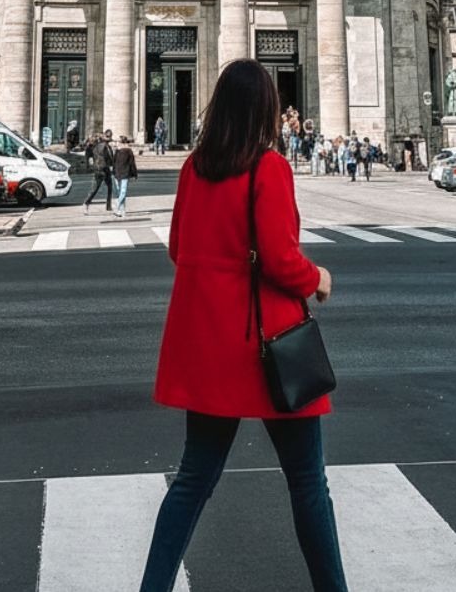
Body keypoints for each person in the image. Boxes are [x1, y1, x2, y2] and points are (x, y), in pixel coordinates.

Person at [141, 59, 345, 592]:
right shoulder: (268, 167)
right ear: (266, 109)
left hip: (209, 346)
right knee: (307, 483)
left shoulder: (194, 167)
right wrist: (318, 278)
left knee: (192, 481)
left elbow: (178, 248)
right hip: (269, 347)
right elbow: (280, 261)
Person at [83, 132, 114, 214]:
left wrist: (88, 165)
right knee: (100, 188)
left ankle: (107, 206)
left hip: (100, 169)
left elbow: (88, 156)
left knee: (99, 188)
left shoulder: (96, 147)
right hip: (102, 169)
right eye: (108, 137)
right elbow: (110, 158)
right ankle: (87, 203)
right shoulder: (103, 147)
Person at [113, 135, 138, 219]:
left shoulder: (128, 151)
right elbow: (114, 162)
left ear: (122, 142)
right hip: (117, 174)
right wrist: (113, 172)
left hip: (125, 174)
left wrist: (135, 174)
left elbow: (132, 163)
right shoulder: (117, 151)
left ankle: (117, 205)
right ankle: (121, 211)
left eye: (117, 141)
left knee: (123, 192)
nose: (116, 143)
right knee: (120, 192)